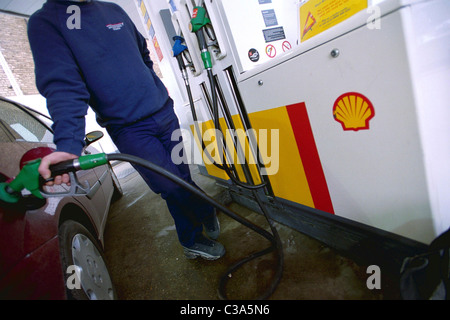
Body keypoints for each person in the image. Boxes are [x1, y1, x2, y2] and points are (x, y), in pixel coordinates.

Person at [27, 0, 225, 260]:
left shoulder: (113, 10)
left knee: (183, 175)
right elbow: (64, 88)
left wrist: (152, 84)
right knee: (172, 186)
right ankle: (192, 237)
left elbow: (142, 51)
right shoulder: (47, 22)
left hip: (164, 112)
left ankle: (203, 214)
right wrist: (68, 145)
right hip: (130, 129)